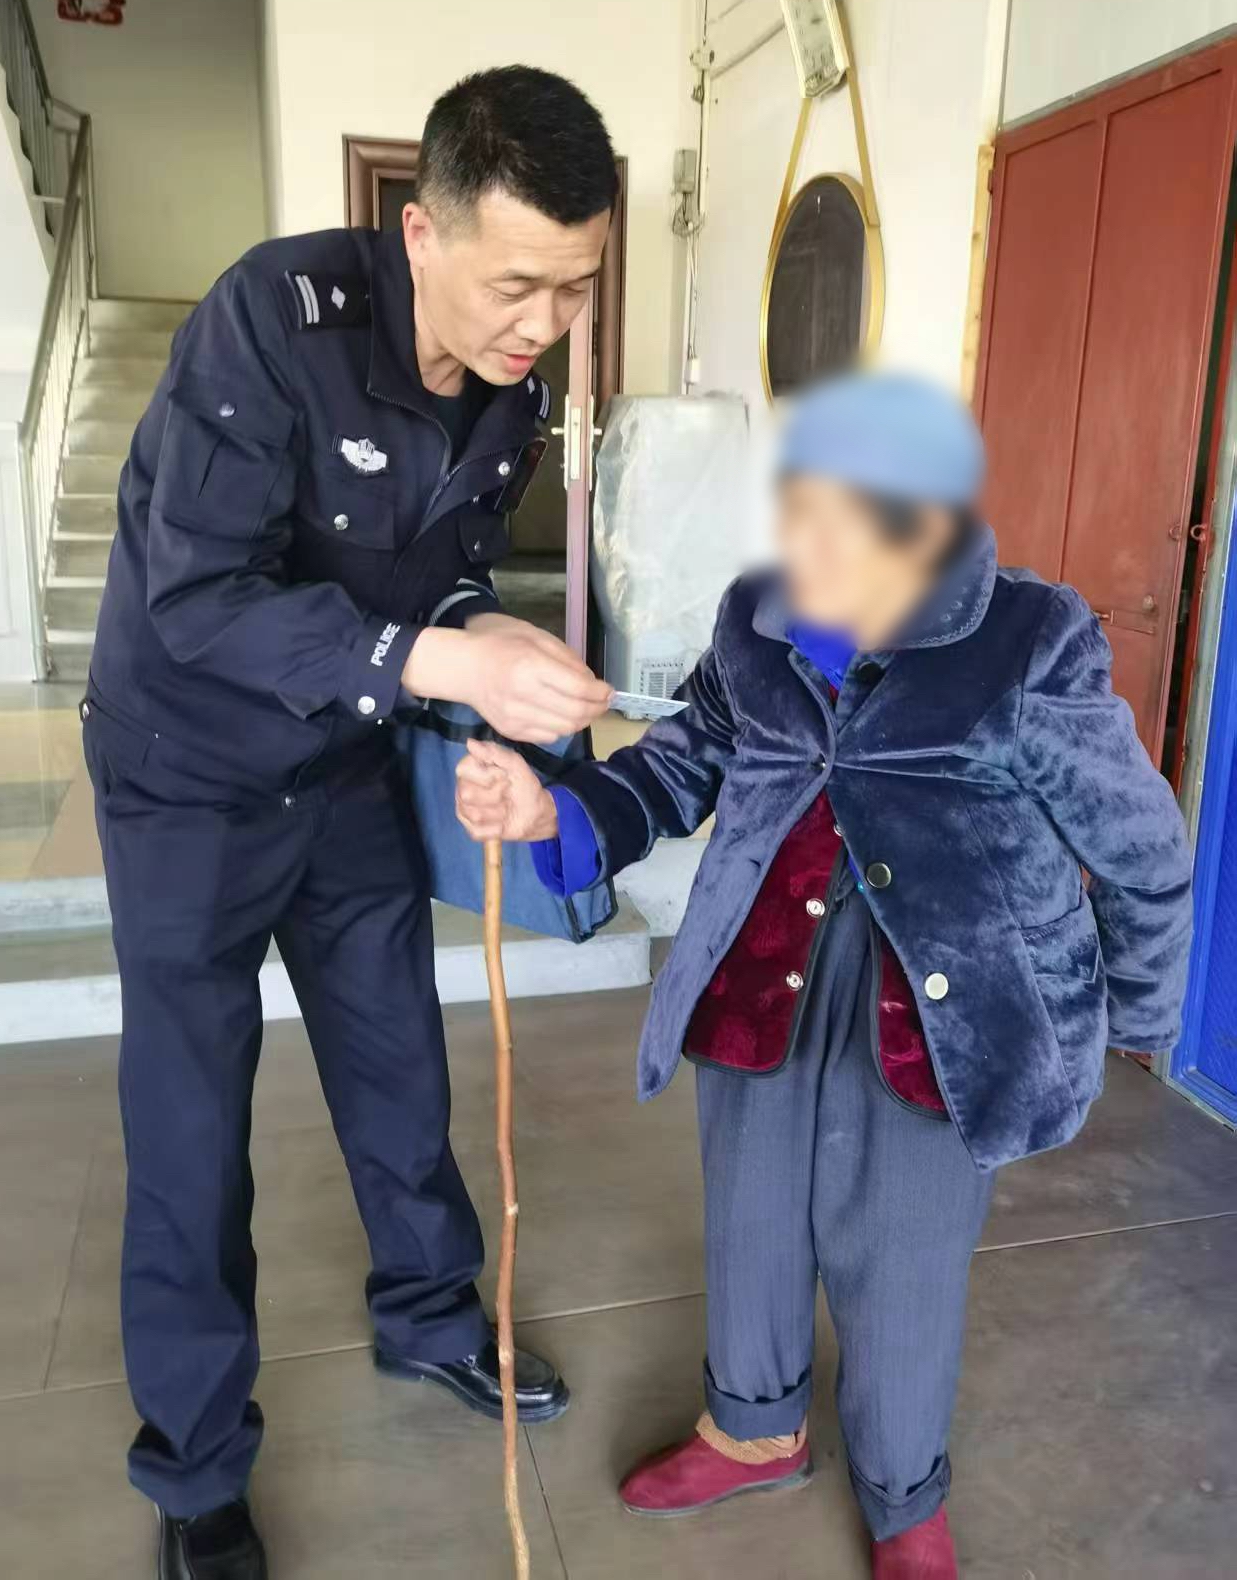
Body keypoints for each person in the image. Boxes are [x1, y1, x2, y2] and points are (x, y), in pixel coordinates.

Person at [454, 370, 1194, 1579]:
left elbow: (1140, 846)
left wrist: (1132, 1017)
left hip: (940, 1013)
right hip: (760, 975)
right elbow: (680, 762)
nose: (808, 553)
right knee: (749, 1218)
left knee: (900, 1262)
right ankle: (753, 1428)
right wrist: (556, 806)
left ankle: (904, 1495)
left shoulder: (1026, 636)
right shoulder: (758, 614)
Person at [83, 64, 616, 1580]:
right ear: (420, 231)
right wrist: (440, 659)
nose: (543, 323)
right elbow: (198, 599)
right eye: (516, 283)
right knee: (191, 1123)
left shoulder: (514, 383)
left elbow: (440, 571)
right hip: (186, 778)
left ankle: (431, 1317)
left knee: (395, 1060)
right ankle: (197, 1466)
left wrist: (485, 640)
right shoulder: (272, 320)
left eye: (575, 288)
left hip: (342, 764)